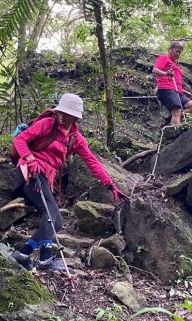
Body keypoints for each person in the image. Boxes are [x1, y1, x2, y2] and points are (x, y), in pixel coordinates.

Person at [10, 93, 129, 272]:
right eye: (61, 111)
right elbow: (20, 140)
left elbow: (92, 162)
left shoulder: (75, 138)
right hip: (31, 172)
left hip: (45, 177)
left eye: (67, 113)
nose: (62, 115)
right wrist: (30, 158)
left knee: (56, 222)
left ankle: (23, 254)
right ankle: (45, 260)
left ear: (76, 117)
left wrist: (110, 185)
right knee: (50, 213)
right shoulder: (47, 124)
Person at [152, 41, 192, 125]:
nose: (178, 54)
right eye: (177, 51)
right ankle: (175, 130)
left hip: (178, 92)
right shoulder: (164, 58)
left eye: (180, 52)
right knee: (176, 111)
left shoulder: (175, 66)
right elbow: (154, 70)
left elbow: (174, 83)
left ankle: (174, 120)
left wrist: (186, 92)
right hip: (166, 89)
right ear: (170, 50)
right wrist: (166, 73)